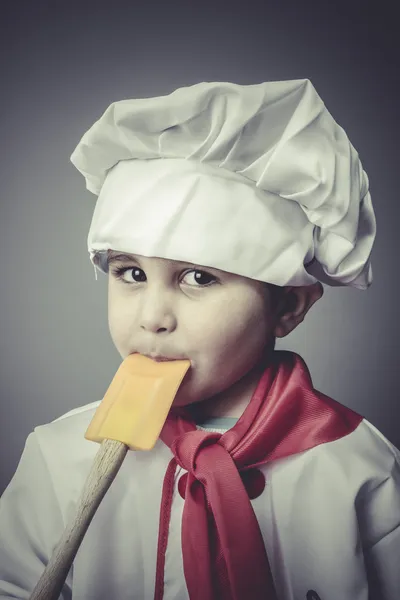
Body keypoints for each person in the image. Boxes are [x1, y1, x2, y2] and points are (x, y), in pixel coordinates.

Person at [0, 79, 399, 600]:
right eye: (131, 273)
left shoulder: (358, 467)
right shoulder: (59, 459)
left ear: (287, 307)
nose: (152, 318)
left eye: (199, 278)